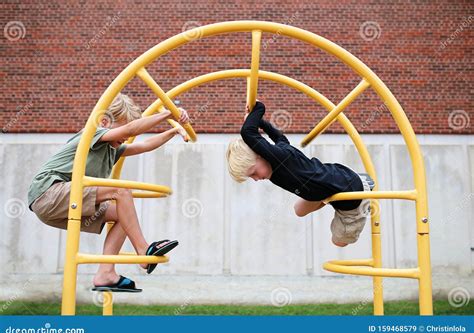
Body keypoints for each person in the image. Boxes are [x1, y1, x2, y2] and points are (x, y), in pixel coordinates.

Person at [28, 93, 189, 292]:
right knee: (121, 191)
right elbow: (131, 129)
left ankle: (106, 273)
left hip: (64, 202)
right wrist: (166, 114)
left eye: (127, 134)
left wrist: (173, 131)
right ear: (105, 121)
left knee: (123, 213)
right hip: (48, 192)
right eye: (122, 129)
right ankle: (143, 249)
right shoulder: (92, 133)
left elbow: (145, 145)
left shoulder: (113, 149)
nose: (127, 136)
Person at [226, 101, 371, 247]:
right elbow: (280, 138)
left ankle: (363, 185)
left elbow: (247, 132)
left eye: (253, 173)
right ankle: (329, 195)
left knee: (338, 241)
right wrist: (262, 124)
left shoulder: (280, 157)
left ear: (262, 155)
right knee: (299, 210)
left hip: (351, 193)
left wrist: (256, 110)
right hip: (325, 183)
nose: (256, 179)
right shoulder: (280, 154)